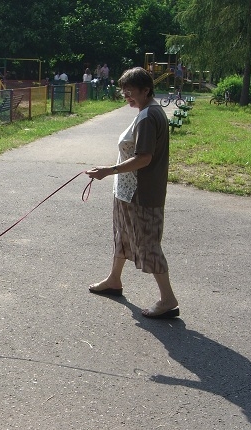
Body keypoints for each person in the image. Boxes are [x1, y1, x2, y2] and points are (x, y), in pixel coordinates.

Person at [85, 66, 179, 319]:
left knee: (148, 244)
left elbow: (144, 158)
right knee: (123, 236)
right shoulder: (146, 112)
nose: (126, 95)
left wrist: (108, 170)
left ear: (146, 90)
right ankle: (114, 280)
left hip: (141, 194)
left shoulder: (149, 117)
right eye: (123, 91)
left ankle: (168, 299)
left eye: (130, 91)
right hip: (128, 191)